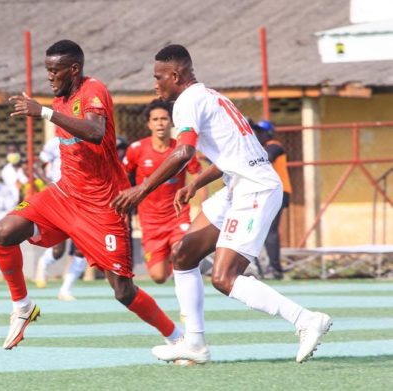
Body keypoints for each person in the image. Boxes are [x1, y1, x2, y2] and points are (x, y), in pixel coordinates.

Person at [112, 44, 331, 364]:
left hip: (254, 191)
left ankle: (306, 320)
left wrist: (143, 188)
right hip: (236, 187)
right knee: (183, 255)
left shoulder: (186, 103)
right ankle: (195, 344)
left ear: (175, 75)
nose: (154, 84)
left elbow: (184, 152)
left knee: (223, 278)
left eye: (158, 77)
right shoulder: (212, 96)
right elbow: (233, 154)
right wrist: (197, 182)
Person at [0, 40, 180, 351]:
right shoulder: (62, 98)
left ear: (74, 69)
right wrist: (49, 110)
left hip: (104, 204)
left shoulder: (94, 90)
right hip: (64, 194)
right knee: (3, 232)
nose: (50, 77)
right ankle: (23, 307)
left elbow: (94, 132)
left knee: (123, 291)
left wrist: (44, 112)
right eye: (47, 71)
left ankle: (177, 337)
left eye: (55, 71)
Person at [123, 99, 202, 284]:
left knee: (180, 252)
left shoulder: (183, 149)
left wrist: (201, 207)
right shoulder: (136, 149)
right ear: (149, 124)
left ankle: (186, 273)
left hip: (177, 215)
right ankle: (173, 262)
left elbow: (198, 176)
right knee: (158, 277)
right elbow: (122, 177)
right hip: (150, 221)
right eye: (155, 119)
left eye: (164, 119)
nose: (160, 123)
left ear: (171, 122)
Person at [33, 136, 88, 300]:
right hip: (59, 197)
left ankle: (66, 289)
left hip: (83, 198)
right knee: (58, 250)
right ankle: (43, 263)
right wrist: (47, 182)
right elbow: (37, 165)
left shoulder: (90, 138)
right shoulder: (54, 142)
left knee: (82, 246)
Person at [255, 120, 292, 280]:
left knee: (270, 230)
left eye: (260, 132)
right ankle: (266, 268)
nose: (257, 134)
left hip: (279, 191)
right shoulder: (258, 148)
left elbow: (266, 158)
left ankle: (275, 268)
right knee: (261, 229)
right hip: (266, 192)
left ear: (269, 133)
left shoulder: (274, 146)